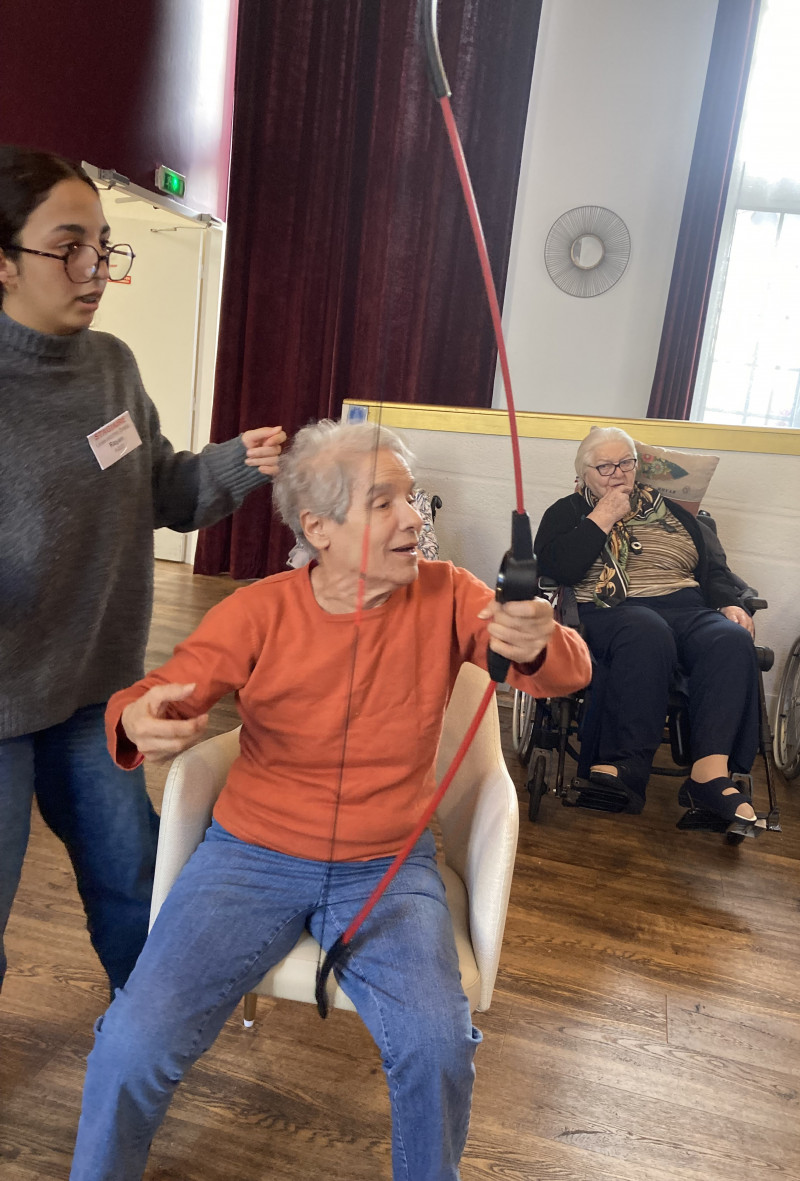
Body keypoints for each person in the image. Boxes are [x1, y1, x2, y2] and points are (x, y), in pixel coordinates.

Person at [69, 419, 592, 1181]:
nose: (415, 518)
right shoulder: (259, 609)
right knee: (130, 1042)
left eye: (412, 500)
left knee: (436, 1047)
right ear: (319, 527)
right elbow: (158, 692)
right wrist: (138, 718)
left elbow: (564, 671)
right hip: (247, 858)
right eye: (385, 503)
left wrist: (539, 639)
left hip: (389, 864)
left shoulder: (452, 595)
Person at [0, 146, 285, 996]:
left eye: (104, 246)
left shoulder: (112, 365)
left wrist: (237, 463)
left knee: (133, 881)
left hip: (95, 693)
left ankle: (145, 1036)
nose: (95, 270)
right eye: (69, 246)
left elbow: (161, 490)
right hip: (2, 703)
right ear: (4, 262)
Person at [534, 425, 760, 823]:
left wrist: (727, 603)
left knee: (729, 639)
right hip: (611, 610)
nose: (617, 473)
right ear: (583, 473)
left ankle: (709, 776)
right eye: (604, 466)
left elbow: (714, 570)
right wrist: (601, 518)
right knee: (645, 629)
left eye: (625, 463)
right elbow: (557, 568)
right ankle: (624, 765)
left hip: (685, 606)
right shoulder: (566, 512)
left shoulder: (678, 516)